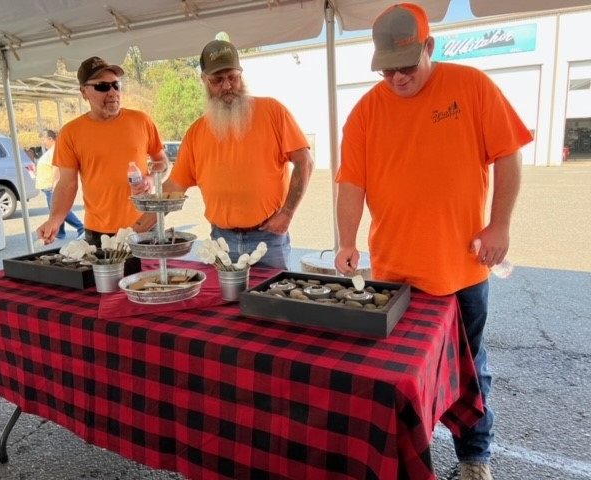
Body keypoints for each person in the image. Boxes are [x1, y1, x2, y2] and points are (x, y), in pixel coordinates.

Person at [334, 4, 532, 480]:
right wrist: (346, 240)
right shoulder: (365, 112)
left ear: (429, 47)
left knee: (469, 370)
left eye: (406, 67)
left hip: (461, 271)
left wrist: (499, 224)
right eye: (386, 70)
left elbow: (507, 156)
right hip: (394, 274)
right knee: (400, 380)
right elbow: (351, 185)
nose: (397, 79)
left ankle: (474, 458)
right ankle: (407, 459)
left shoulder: (472, 86)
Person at [135, 40, 314, 269]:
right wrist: (137, 230)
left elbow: (304, 162)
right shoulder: (196, 132)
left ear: (241, 75)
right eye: (217, 80)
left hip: (269, 239)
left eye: (232, 77)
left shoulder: (272, 111)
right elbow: (173, 187)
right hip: (221, 241)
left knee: (272, 304)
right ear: (204, 81)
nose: (227, 86)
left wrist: (287, 213)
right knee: (225, 304)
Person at [36, 56, 166, 247]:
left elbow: (162, 162)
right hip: (99, 232)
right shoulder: (71, 132)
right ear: (84, 92)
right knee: (104, 278)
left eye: (116, 85)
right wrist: (55, 220)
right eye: (102, 87)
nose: (113, 92)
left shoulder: (141, 121)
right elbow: (67, 184)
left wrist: (149, 179)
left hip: (145, 225)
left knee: (152, 278)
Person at [35, 129, 84, 240]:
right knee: (56, 210)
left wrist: (54, 184)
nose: (43, 142)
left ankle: (80, 227)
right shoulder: (51, 150)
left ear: (50, 139)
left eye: (44, 139)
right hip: (48, 186)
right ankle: (60, 232)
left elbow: (56, 168)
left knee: (59, 210)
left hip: (52, 186)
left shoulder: (55, 151)